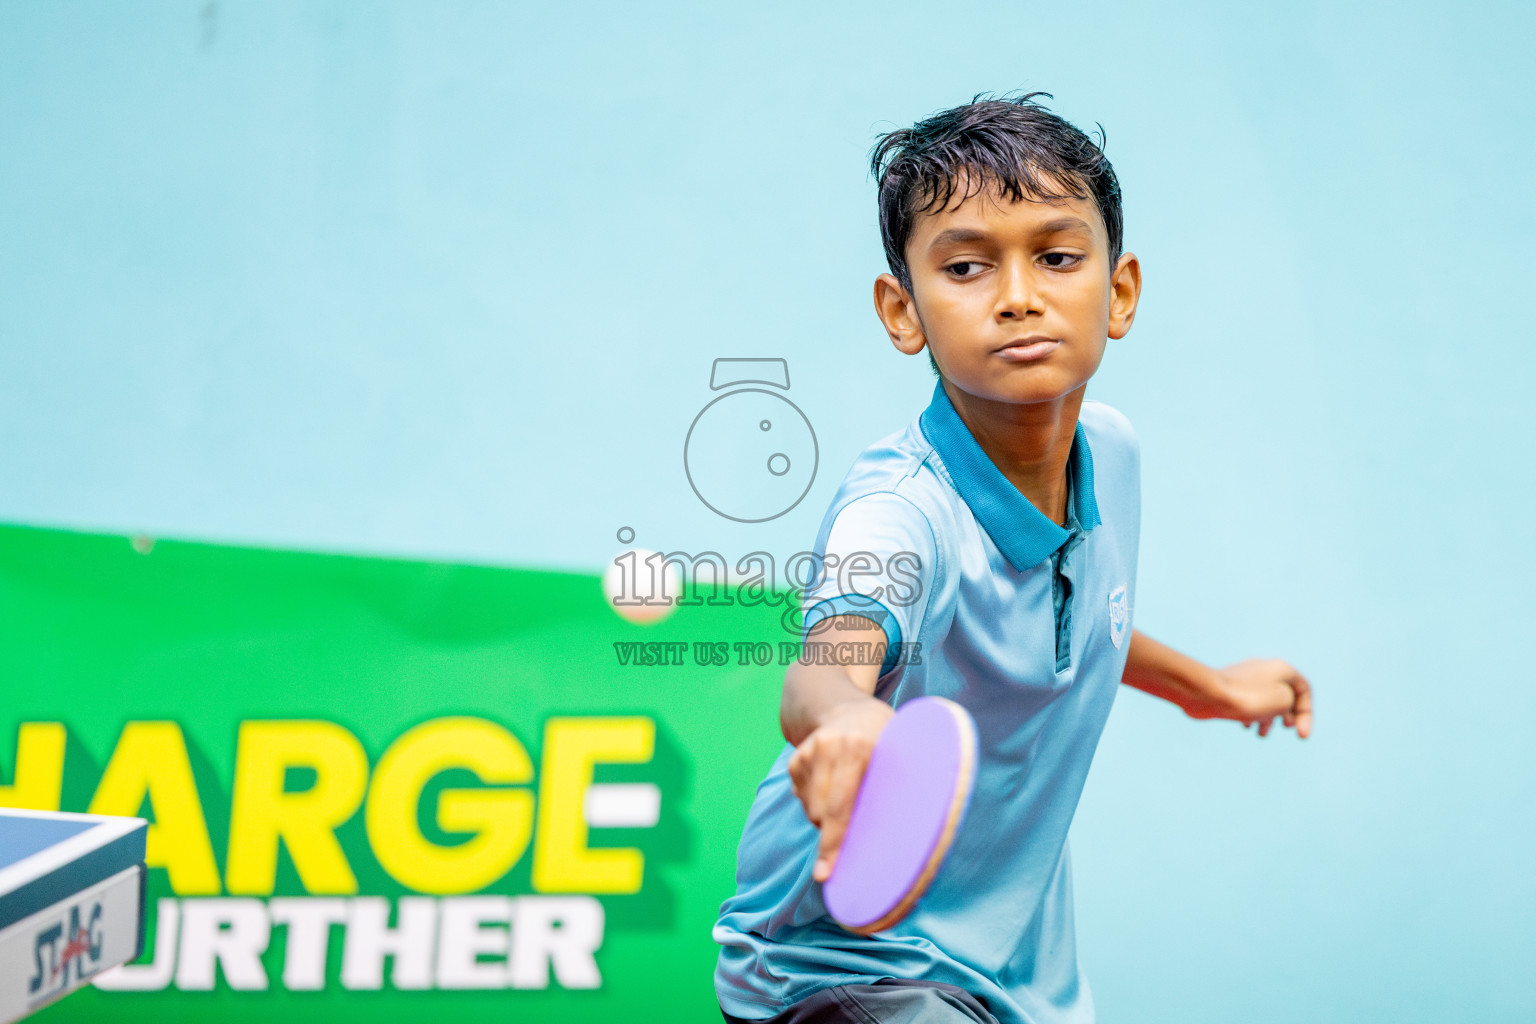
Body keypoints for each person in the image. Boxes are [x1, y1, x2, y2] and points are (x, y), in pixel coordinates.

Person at [712, 93, 1314, 1024]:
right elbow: (828, 661)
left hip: (1020, 976)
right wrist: (842, 723)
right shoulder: (895, 512)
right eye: (965, 266)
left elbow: (1074, 613)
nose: (1019, 294)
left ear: (1119, 293)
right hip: (845, 968)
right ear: (901, 311)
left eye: (1059, 256)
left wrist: (1209, 687)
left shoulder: (1109, 450)